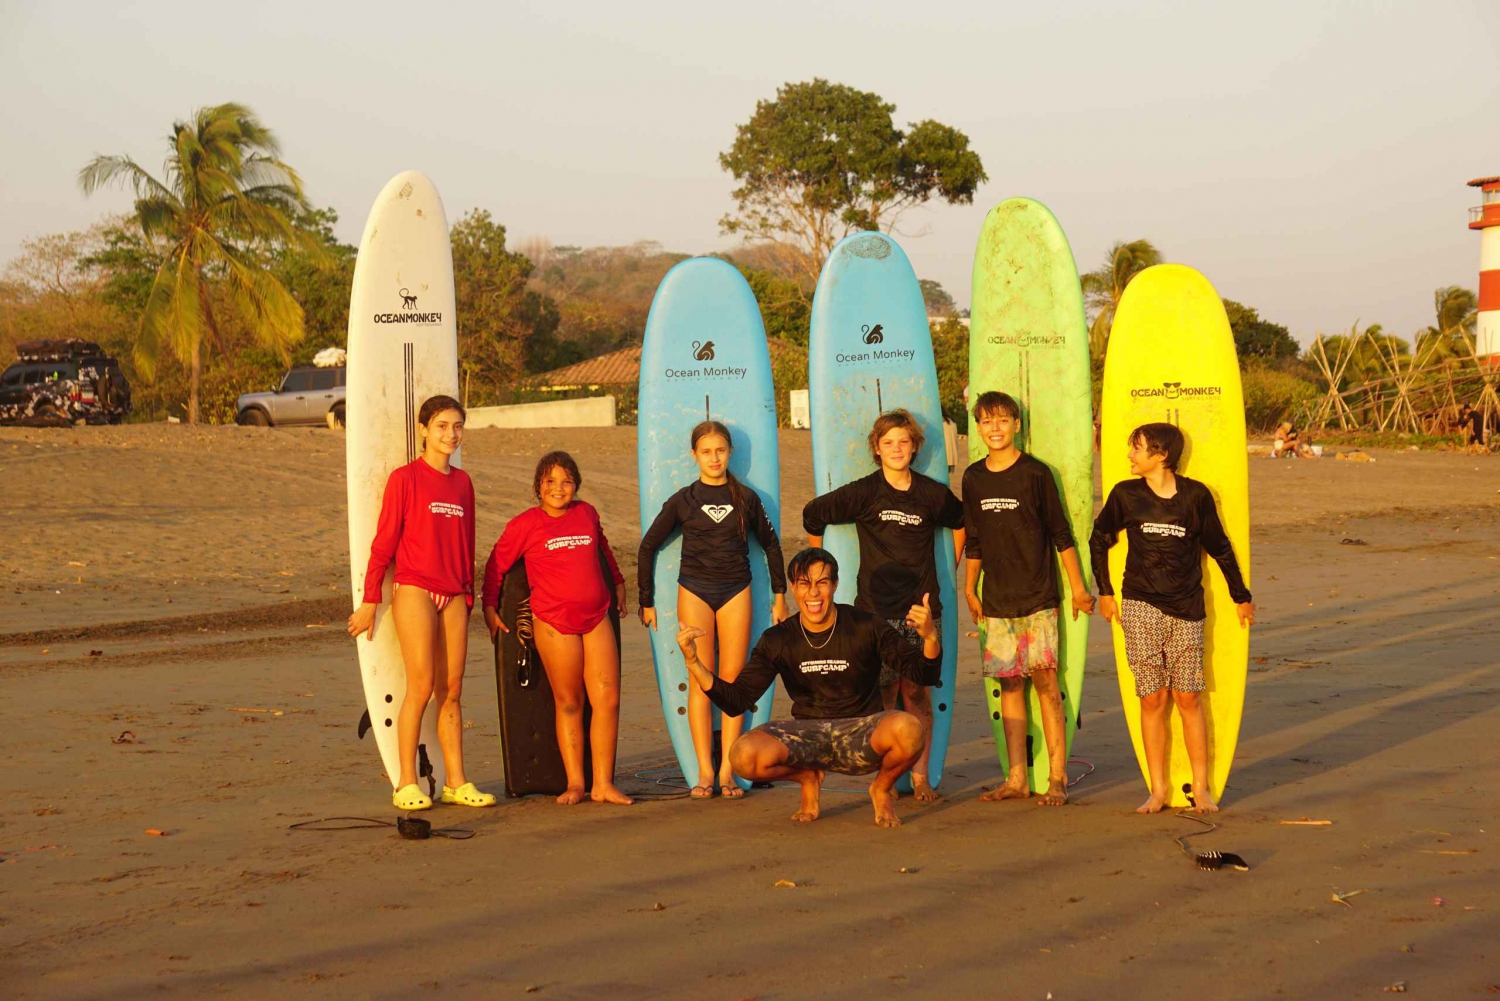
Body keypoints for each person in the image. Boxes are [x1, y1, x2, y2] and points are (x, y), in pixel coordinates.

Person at [676, 548, 938, 828]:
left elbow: (923, 673)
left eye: (822, 583)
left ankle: (881, 789)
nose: (813, 593)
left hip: (862, 731)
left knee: (911, 729)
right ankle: (806, 778)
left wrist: (930, 637)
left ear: (835, 585)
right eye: (804, 583)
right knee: (742, 755)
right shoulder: (778, 639)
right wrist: (694, 664)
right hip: (808, 738)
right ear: (793, 587)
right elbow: (736, 700)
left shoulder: (866, 626)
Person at [1089, 422, 1255, 815]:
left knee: (1188, 698)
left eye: (1137, 448)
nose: (1130, 455)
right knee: (1152, 699)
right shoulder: (1125, 495)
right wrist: (1106, 591)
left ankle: (1200, 787)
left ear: (1161, 454)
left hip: (1187, 608)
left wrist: (1241, 596)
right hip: (1140, 604)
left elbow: (1219, 546)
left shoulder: (1195, 496)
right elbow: (1099, 538)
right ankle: (1158, 788)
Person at [801, 408, 965, 802]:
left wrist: (947, 570)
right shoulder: (866, 491)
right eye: (888, 443)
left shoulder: (930, 494)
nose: (896, 449)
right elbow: (813, 515)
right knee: (884, 696)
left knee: (918, 694)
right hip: (874, 612)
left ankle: (921, 776)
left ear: (914, 447)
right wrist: (818, 575)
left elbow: (961, 523)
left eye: (904, 443)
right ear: (877, 448)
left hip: (921, 613)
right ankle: (887, 779)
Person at [347, 395, 495, 811]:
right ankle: (406, 783)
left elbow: (467, 544)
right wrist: (369, 601)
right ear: (425, 430)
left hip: (454, 593)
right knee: (422, 685)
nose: (451, 434)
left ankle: (456, 782)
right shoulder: (405, 478)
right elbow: (384, 543)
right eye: (443, 426)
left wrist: (468, 595)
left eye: (458, 426)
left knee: (453, 690)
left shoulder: (463, 483)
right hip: (414, 587)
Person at [638, 421, 789, 798]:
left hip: (736, 590)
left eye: (720, 450)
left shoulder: (747, 499)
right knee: (701, 681)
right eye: (706, 451)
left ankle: (727, 771)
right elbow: (648, 546)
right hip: (694, 591)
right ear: (694, 455)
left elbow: (771, 545)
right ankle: (704, 770)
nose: (714, 458)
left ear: (730, 452)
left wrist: (780, 595)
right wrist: (646, 600)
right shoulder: (683, 500)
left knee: (733, 682)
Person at [961, 392, 1095, 807]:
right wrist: (970, 587)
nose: (995, 428)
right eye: (986, 421)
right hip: (997, 599)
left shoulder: (1036, 473)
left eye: (1003, 420)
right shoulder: (973, 478)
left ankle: (1057, 778)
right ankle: (1016, 777)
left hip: (1038, 597)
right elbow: (976, 538)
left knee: (1046, 685)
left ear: (1017, 425)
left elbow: (1061, 533)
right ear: (977, 428)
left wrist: (1077, 587)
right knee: (1010, 686)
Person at [482, 451, 633, 806]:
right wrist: (490, 607)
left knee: (607, 699)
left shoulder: (586, 513)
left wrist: (619, 583)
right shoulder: (524, 525)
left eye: (566, 481)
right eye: (550, 481)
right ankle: (576, 783)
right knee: (570, 702)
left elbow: (604, 550)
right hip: (553, 621)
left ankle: (604, 784)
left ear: (576, 486)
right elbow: (496, 565)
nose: (558, 488)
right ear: (538, 486)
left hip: (596, 616)